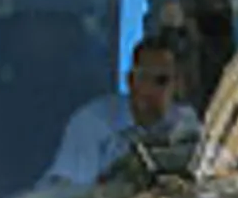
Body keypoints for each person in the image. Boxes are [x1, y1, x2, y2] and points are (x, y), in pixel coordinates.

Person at [43, 34, 200, 188]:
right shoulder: (92, 124)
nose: (148, 89)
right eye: (141, 78)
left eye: (160, 81)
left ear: (178, 86)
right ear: (130, 81)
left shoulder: (186, 125)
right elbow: (69, 197)